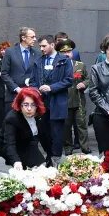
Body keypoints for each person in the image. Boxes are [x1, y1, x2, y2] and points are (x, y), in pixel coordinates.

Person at [30, 35, 73, 163]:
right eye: (40, 46)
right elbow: (32, 81)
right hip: (42, 103)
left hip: (57, 102)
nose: (41, 49)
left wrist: (51, 87)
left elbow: (69, 80)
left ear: (52, 45)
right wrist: (37, 89)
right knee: (42, 133)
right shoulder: (38, 61)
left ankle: (56, 158)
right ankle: (49, 155)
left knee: (57, 134)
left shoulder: (64, 60)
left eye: (44, 46)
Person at [0, 87, 48, 168]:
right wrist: (16, 161)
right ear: (20, 104)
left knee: (41, 166)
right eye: (26, 104)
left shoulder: (38, 114)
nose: (29, 109)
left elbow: (42, 136)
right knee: (21, 166)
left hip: (26, 141)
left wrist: (51, 154)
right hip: (6, 145)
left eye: (33, 105)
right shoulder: (12, 118)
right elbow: (9, 144)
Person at [57, 39, 91, 154]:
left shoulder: (80, 65)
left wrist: (84, 84)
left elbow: (88, 79)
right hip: (64, 101)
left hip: (79, 100)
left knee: (82, 125)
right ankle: (68, 147)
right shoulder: (57, 67)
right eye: (63, 52)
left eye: (69, 51)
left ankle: (85, 147)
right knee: (66, 126)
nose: (66, 54)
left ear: (72, 52)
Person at [1, 27, 37, 95]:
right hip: (13, 94)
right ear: (23, 38)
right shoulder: (10, 52)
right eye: (32, 37)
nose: (35, 39)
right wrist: (16, 88)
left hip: (32, 94)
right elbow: (4, 73)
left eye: (35, 37)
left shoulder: (37, 53)